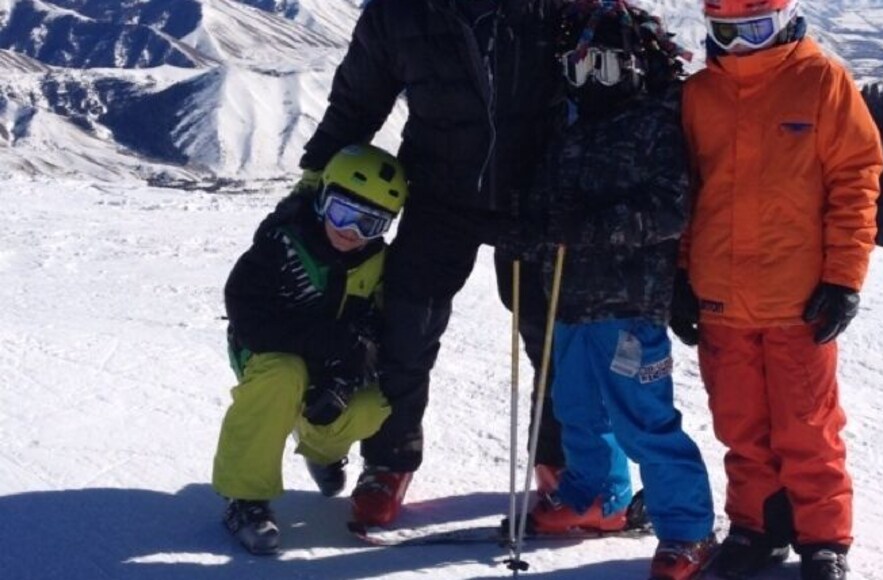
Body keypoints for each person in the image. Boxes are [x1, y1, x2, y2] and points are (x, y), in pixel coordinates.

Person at [294, 0, 568, 527]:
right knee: (404, 329)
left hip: (536, 196)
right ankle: (387, 464)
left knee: (552, 334)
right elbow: (358, 100)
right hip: (440, 192)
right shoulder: (400, 12)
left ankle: (561, 462)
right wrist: (312, 180)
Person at [674, 1, 883, 579]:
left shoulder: (821, 83)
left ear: (788, 19)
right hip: (720, 294)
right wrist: (682, 276)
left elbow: (855, 180)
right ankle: (756, 527)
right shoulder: (699, 96)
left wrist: (843, 278)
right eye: (726, 34)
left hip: (798, 299)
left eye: (756, 32)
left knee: (807, 426)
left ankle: (824, 541)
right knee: (739, 424)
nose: (741, 47)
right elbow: (688, 195)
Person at [517, 2, 717, 578]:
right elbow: (548, 202)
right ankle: (596, 495)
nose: (591, 80)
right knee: (574, 405)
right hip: (571, 297)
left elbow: (670, 209)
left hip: (631, 301)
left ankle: (687, 529)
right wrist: (529, 229)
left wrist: (589, 228)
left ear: (634, 65)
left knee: (642, 419)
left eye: (604, 67)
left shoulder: (655, 120)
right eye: (579, 67)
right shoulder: (570, 122)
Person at [212, 145, 407, 554]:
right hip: (265, 349)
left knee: (373, 404)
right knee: (284, 376)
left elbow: (375, 326)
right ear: (322, 198)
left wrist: (345, 371)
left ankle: (322, 450)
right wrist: (327, 345)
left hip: (329, 360)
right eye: (342, 212)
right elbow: (247, 313)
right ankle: (245, 498)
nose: (350, 231)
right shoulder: (282, 242)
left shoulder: (374, 263)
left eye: (369, 223)